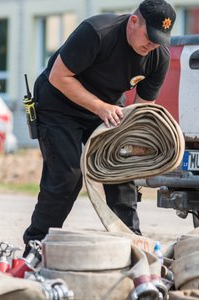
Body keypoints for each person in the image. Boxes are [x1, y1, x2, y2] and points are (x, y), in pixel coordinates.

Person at [22, 0, 176, 255]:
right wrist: (100, 108)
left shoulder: (158, 57)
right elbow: (58, 77)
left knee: (120, 168)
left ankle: (131, 244)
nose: (152, 44)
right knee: (67, 175)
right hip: (58, 102)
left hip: (107, 106)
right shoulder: (97, 32)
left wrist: (133, 144)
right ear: (134, 21)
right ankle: (37, 245)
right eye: (150, 37)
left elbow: (142, 108)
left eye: (159, 40)